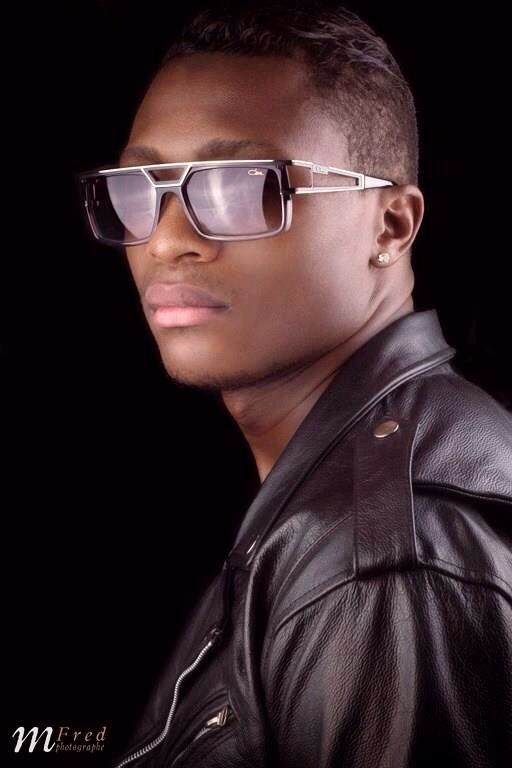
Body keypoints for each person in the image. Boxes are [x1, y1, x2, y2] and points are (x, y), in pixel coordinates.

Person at [78, 3, 512, 766]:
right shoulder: (361, 483)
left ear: (391, 225)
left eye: (240, 186)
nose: (167, 240)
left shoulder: (378, 567)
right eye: (140, 188)